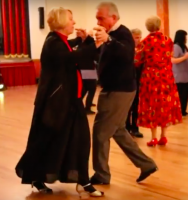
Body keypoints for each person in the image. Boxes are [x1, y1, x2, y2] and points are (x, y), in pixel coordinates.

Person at [15, 8, 104, 198]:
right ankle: (37, 176)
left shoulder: (58, 41)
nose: (74, 22)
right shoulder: (53, 43)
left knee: (78, 142)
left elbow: (70, 46)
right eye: (71, 19)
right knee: (46, 142)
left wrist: (82, 40)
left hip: (69, 102)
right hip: (56, 106)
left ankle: (83, 181)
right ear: (63, 22)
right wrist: (91, 43)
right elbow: (74, 56)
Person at [90, 2, 157, 185]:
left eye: (101, 17)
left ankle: (101, 175)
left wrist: (108, 41)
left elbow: (127, 53)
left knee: (100, 133)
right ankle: (146, 164)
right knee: (118, 130)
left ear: (113, 17)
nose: (98, 21)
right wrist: (90, 42)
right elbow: (102, 60)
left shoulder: (122, 33)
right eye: (97, 17)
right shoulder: (109, 36)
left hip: (118, 90)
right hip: (114, 88)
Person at [134, 16, 182, 147]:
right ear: (159, 26)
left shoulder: (145, 41)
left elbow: (137, 61)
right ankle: (163, 136)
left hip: (150, 77)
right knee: (164, 105)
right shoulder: (168, 40)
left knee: (151, 105)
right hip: (166, 77)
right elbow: (169, 56)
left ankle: (153, 137)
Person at [126, 28, 144, 138]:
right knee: (128, 106)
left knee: (137, 105)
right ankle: (127, 127)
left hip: (138, 79)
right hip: (128, 79)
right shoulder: (127, 48)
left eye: (139, 37)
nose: (138, 40)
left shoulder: (141, 49)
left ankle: (135, 127)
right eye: (136, 37)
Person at [171, 30, 188, 117]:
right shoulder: (175, 46)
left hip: (185, 75)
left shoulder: (184, 47)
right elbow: (173, 60)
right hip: (178, 75)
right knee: (179, 94)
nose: (186, 39)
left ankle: (183, 110)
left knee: (185, 94)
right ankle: (177, 111)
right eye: (185, 37)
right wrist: (185, 57)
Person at [80, 30, 98, 114]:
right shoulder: (88, 46)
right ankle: (87, 108)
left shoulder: (82, 45)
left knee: (86, 88)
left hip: (85, 69)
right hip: (88, 69)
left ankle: (84, 104)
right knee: (92, 88)